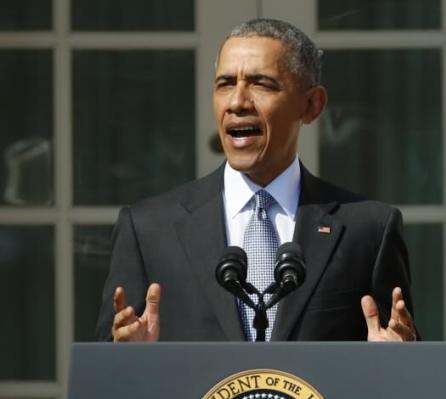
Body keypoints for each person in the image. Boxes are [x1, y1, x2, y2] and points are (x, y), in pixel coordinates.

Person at [95, 18, 415, 343]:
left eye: (261, 84)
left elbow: (403, 366)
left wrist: (397, 360)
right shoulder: (148, 230)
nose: (237, 102)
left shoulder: (369, 230)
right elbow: (106, 377)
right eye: (225, 84)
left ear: (311, 105)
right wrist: (130, 358)